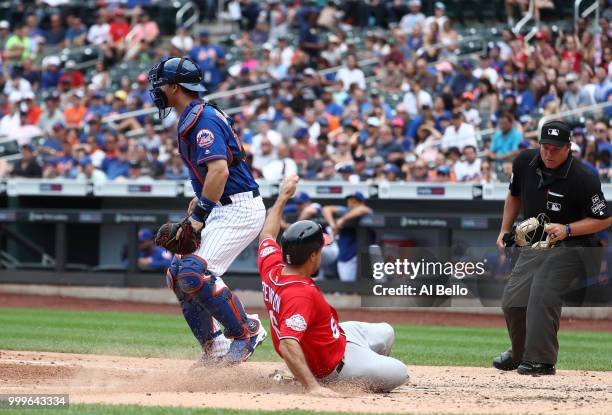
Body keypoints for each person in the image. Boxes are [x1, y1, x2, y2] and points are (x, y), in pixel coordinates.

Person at [148, 56, 267, 365]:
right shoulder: (192, 115)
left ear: (174, 87)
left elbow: (219, 172)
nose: (156, 90)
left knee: (195, 272)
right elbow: (209, 177)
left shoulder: (203, 119)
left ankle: (246, 331)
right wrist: (198, 205)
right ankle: (215, 349)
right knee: (177, 274)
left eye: (160, 84)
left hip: (238, 207)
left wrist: (199, 217)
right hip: (222, 206)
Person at [257, 175, 408, 394]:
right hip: (331, 367)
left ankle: (365, 363)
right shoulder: (299, 294)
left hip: (338, 336)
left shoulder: (272, 264)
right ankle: (320, 379)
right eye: (321, 249)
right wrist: (313, 388)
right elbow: (287, 343)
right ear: (312, 256)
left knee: (386, 331)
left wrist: (283, 197)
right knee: (400, 372)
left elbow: (267, 234)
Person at [493, 121, 611, 375]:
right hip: (539, 244)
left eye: (555, 149)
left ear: (569, 147)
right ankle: (521, 352)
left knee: (543, 289)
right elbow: (514, 195)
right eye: (544, 147)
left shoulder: (584, 176)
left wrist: (568, 229)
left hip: (577, 247)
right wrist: (504, 229)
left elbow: (604, 218)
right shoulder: (524, 162)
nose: (548, 153)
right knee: (513, 299)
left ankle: (542, 360)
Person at [323, 192, 373, 282]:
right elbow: (326, 209)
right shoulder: (345, 210)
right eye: (349, 201)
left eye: (354, 201)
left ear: (361, 202)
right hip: (347, 254)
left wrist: (343, 219)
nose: (351, 204)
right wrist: (332, 224)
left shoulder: (364, 210)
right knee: (347, 283)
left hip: (364, 253)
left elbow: (363, 209)